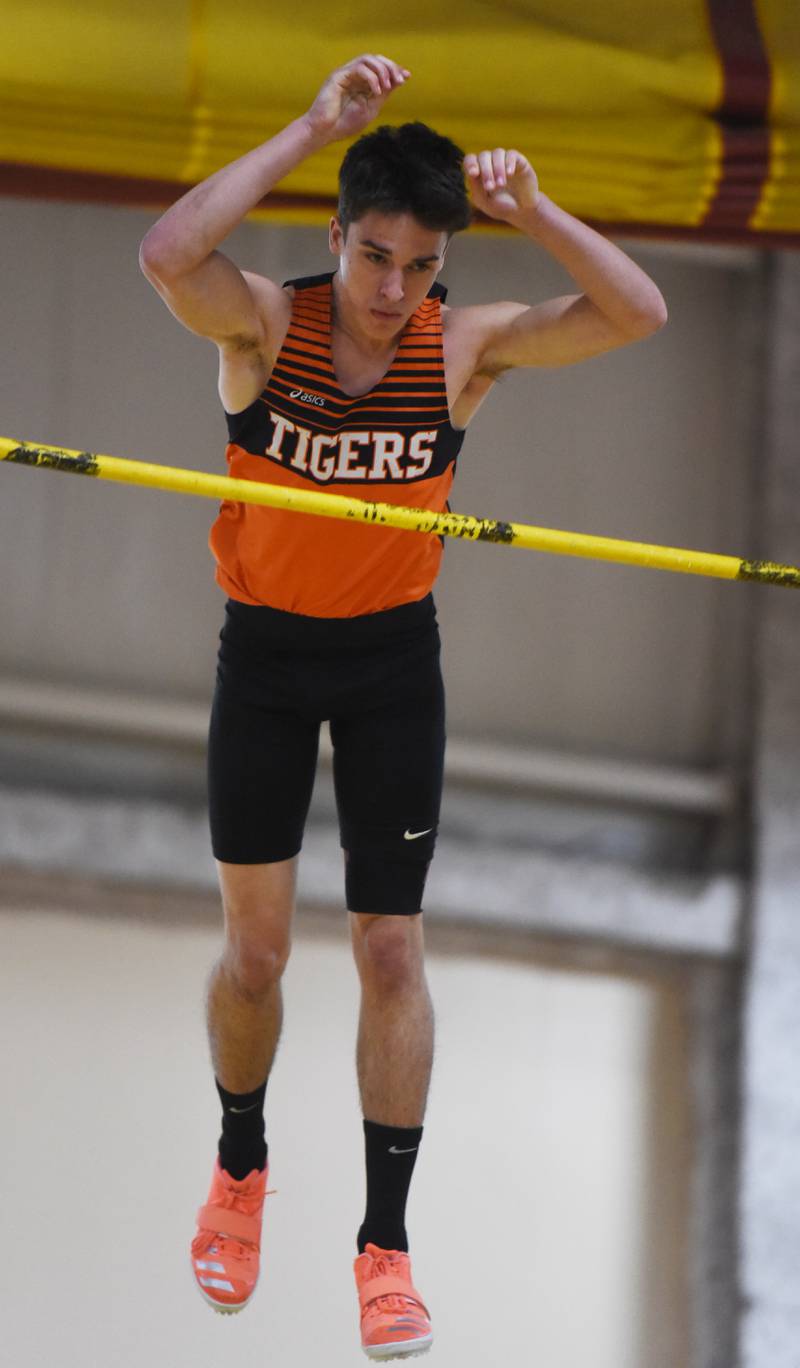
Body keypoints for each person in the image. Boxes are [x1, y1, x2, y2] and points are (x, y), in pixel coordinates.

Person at [139, 52, 666, 1360]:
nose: (393, 291)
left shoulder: (463, 347)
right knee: (258, 954)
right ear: (338, 237)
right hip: (263, 659)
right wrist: (314, 124)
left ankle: (385, 1248)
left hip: (390, 668)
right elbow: (167, 252)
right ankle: (240, 1170)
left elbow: (639, 312)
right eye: (376, 258)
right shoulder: (266, 320)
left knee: (390, 952)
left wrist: (535, 211)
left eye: (423, 266)